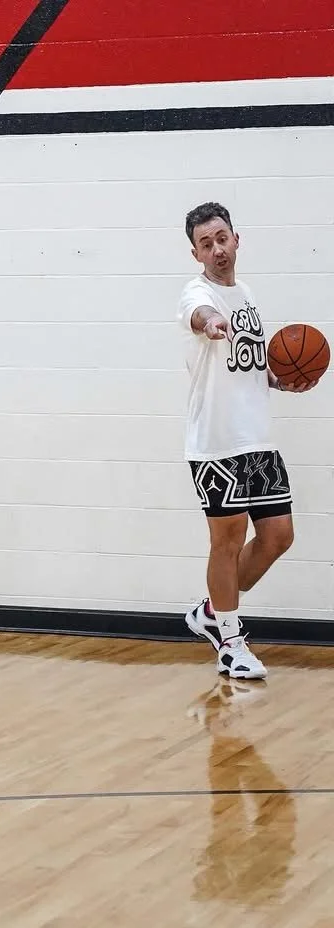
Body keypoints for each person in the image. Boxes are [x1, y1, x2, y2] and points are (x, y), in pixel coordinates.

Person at [178, 202, 316, 680]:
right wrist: (209, 323)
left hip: (257, 440)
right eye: (205, 243)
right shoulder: (196, 293)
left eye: (222, 238)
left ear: (238, 239)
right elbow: (198, 317)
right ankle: (231, 641)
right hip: (217, 443)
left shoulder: (248, 296)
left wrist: (282, 381)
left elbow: (249, 367)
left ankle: (212, 611)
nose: (217, 249)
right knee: (228, 540)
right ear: (195, 253)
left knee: (279, 536)